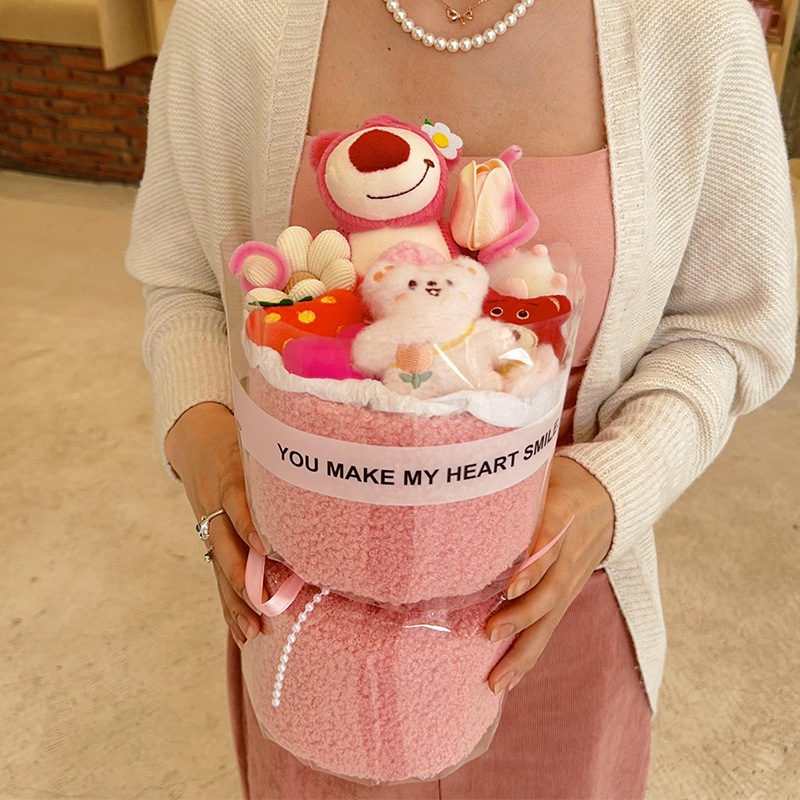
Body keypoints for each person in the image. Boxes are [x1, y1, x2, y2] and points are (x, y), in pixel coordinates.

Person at [125, 0, 797, 797]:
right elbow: (184, 283)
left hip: (557, 596)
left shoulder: (690, 23)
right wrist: (206, 450)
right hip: (311, 618)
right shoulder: (237, 18)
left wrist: (615, 488)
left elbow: (729, 329)